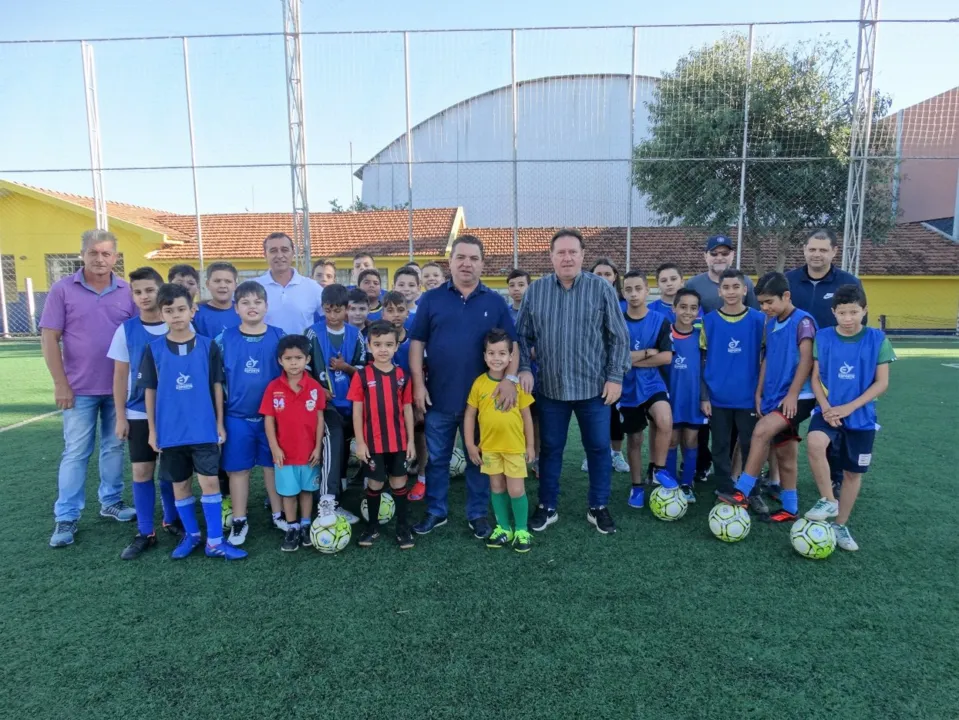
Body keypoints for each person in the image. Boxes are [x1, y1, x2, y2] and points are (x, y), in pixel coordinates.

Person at [516, 228, 630, 535]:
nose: (567, 257)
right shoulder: (536, 291)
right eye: (560, 252)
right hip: (551, 388)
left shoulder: (601, 289)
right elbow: (521, 336)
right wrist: (524, 368)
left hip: (594, 388)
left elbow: (619, 337)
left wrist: (615, 377)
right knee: (551, 449)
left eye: (573, 252)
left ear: (582, 256)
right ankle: (547, 506)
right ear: (551, 256)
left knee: (597, 448)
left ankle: (598, 507)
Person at [410, 235, 518, 540]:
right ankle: (436, 511)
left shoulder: (495, 302)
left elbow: (513, 345)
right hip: (439, 397)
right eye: (461, 257)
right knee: (437, 459)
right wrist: (419, 384)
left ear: (482, 263)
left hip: (484, 402)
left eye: (473, 258)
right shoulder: (431, 299)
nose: (467, 264)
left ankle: (477, 514)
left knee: (479, 458)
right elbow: (417, 343)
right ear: (451, 262)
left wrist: (510, 380)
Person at [41, 229, 137, 548]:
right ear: (82, 254)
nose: (100, 259)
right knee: (76, 451)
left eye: (106, 253)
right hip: (78, 389)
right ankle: (66, 515)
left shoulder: (127, 290)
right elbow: (49, 337)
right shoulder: (62, 289)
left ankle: (111, 502)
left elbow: (137, 337)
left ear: (115, 257)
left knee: (113, 447)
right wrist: (60, 383)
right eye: (93, 253)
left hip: (117, 389)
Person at [137, 283, 247, 560]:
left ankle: (214, 541)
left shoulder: (208, 346)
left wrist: (219, 423)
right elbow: (150, 391)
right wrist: (152, 430)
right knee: (180, 486)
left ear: (192, 310)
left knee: (210, 484)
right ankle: (192, 535)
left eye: (181, 309)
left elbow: (217, 386)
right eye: (169, 310)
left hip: (203, 429)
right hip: (171, 432)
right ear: (162, 315)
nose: (176, 315)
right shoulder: (154, 349)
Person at [716, 272, 816, 522]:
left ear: (787, 296)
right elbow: (768, 359)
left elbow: (806, 360)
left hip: (798, 397)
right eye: (761, 303)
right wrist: (759, 393)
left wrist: (793, 395)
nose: (764, 308)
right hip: (774, 397)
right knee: (785, 454)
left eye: (769, 302)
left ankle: (742, 492)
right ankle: (790, 509)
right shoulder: (770, 323)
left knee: (760, 431)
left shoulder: (803, 321)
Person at [802, 285, 895, 551]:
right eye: (842, 313)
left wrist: (849, 408)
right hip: (828, 411)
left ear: (864, 310)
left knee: (853, 474)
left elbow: (882, 384)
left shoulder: (877, 339)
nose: (848, 318)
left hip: (861, 416)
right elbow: (816, 378)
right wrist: (826, 408)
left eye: (854, 312)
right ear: (833, 312)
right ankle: (828, 500)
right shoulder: (824, 336)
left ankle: (840, 524)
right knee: (815, 443)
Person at [109, 267, 181, 559]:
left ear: (160, 289)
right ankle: (145, 531)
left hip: (173, 413)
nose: (144, 296)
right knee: (141, 470)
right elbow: (118, 376)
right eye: (137, 291)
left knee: (171, 470)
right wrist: (120, 416)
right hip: (138, 412)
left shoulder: (176, 325)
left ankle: (171, 519)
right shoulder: (126, 330)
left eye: (149, 290)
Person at [785, 228, 864, 497]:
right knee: (786, 418)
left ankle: (836, 476)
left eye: (822, 249)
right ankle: (780, 476)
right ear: (805, 250)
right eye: (812, 248)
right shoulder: (789, 280)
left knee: (834, 418)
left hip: (832, 367)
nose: (816, 254)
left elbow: (857, 323)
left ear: (834, 251)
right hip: (793, 364)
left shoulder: (848, 282)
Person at [216, 281, 287, 545]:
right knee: (238, 470)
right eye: (245, 302)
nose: (252, 307)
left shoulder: (280, 336)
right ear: (236, 308)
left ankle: (279, 513)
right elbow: (216, 382)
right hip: (237, 417)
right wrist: (219, 420)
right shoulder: (223, 340)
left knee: (273, 466)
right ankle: (239, 519)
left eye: (257, 302)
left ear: (266, 306)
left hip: (273, 418)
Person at [464, 329, 536, 553]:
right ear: (484, 356)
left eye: (502, 353)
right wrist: (469, 444)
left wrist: (530, 445)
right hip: (489, 449)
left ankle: (522, 530)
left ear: (511, 357)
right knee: (496, 488)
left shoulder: (516, 386)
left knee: (516, 490)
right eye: (492, 353)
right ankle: (504, 528)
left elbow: (527, 416)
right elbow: (469, 415)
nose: (497, 358)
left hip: (514, 448)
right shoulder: (479, 384)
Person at [700, 269, 766, 508]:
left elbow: (767, 357)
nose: (731, 292)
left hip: (748, 397)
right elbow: (703, 359)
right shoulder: (708, 321)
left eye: (735, 287)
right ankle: (725, 489)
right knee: (719, 446)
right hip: (718, 397)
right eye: (726, 287)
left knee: (751, 446)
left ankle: (752, 490)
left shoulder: (759, 320)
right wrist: (704, 396)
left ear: (745, 290)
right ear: (719, 291)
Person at [349, 321, 416, 549]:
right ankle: (372, 528)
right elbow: (357, 410)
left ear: (397, 346)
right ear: (369, 345)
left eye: (389, 344)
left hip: (398, 442)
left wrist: (411, 441)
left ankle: (402, 528)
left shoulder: (402, 375)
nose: (383, 349)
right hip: (373, 443)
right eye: (377, 344)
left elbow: (407, 409)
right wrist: (360, 442)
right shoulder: (361, 375)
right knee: (375, 484)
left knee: (399, 483)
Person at [260, 335, 327, 552]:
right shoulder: (273, 388)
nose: (294, 363)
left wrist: (318, 447)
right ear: (280, 360)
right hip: (284, 455)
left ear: (307, 359)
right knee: (288, 493)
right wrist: (275, 447)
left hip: (309, 453)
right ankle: (292, 527)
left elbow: (319, 419)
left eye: (299, 357)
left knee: (307, 491)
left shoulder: (315, 387)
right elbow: (268, 420)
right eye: (288, 358)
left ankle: (306, 525)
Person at [619, 270, 677, 509]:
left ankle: (658, 469)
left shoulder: (660, 320)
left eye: (638, 289)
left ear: (647, 290)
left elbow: (665, 357)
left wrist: (630, 360)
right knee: (634, 439)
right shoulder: (617, 321)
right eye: (629, 289)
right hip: (626, 388)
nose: (634, 294)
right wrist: (644, 353)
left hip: (653, 383)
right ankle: (636, 487)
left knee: (665, 419)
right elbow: (614, 358)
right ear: (623, 292)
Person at [306, 283, 364, 511]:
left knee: (357, 440)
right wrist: (317, 388)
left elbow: (363, 371)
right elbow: (303, 368)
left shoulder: (356, 335)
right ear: (322, 308)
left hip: (353, 404)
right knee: (335, 437)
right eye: (328, 310)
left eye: (337, 310)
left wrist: (345, 367)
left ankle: (366, 487)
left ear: (346, 309)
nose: (332, 315)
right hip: (326, 404)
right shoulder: (312, 333)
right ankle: (328, 498)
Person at [584, 257, 631, 475]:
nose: (602, 278)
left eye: (607, 274)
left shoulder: (624, 306)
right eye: (598, 274)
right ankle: (590, 454)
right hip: (590, 369)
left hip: (614, 372)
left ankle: (616, 453)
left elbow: (622, 339)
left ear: (615, 278)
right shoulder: (583, 302)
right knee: (591, 416)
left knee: (614, 415)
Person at [382, 291, 427, 499]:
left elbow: (424, 371)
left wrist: (418, 401)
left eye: (400, 310)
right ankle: (383, 480)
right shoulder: (375, 340)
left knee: (419, 436)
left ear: (408, 313)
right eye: (390, 310)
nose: (395, 315)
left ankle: (422, 478)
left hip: (411, 400)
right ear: (382, 313)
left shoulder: (415, 342)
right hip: (385, 403)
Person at [665, 288, 707, 501]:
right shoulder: (666, 334)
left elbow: (705, 369)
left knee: (690, 441)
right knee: (671, 441)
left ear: (698, 311)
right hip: (671, 399)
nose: (687, 312)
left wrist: (704, 397)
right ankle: (671, 484)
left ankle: (687, 484)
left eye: (693, 308)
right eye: (683, 307)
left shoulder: (701, 336)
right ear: (674, 308)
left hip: (692, 398)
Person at [254, 232, 324, 336]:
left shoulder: (313, 288)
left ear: (293, 252)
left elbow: (332, 317)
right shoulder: (254, 287)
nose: (280, 255)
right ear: (265, 255)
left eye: (284, 250)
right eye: (273, 251)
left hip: (302, 351)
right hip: (263, 351)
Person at [685, 235, 759, 314]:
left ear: (732, 255)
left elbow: (755, 314)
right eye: (714, 254)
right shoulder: (692, 285)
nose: (719, 258)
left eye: (725, 253)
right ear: (705, 256)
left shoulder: (746, 282)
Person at [194, 262, 241, 338]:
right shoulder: (196, 313)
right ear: (207, 284)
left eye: (228, 281)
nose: (222, 285)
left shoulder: (243, 311)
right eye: (217, 281)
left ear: (235, 285)